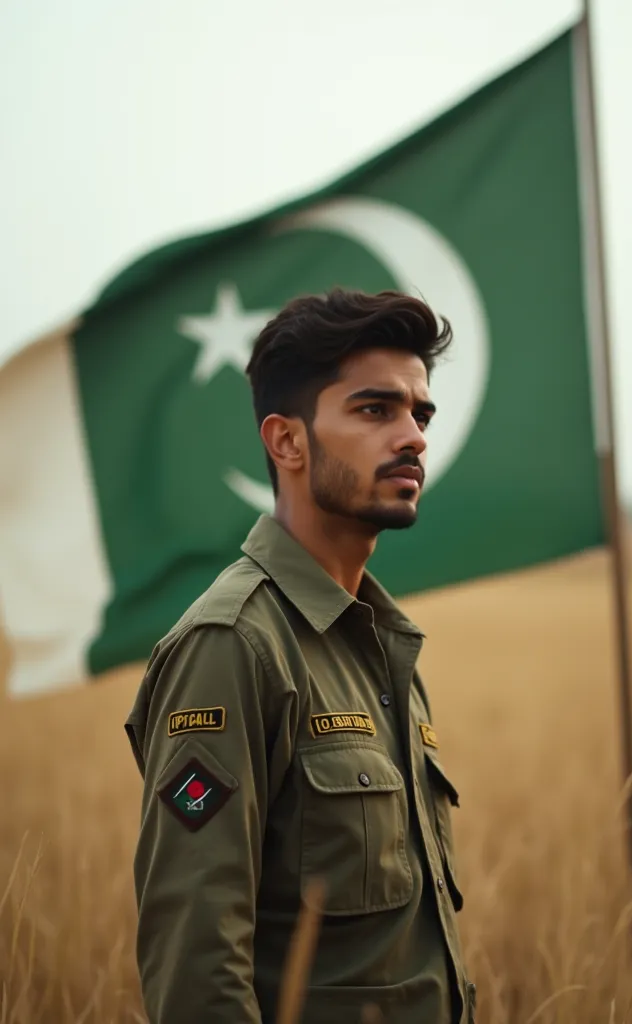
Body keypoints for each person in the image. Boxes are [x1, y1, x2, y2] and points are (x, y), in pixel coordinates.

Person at [125, 288, 476, 1023]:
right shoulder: (233, 645)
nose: (413, 435)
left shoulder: (380, 645)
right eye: (376, 410)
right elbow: (197, 958)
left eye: (422, 413)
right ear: (287, 442)